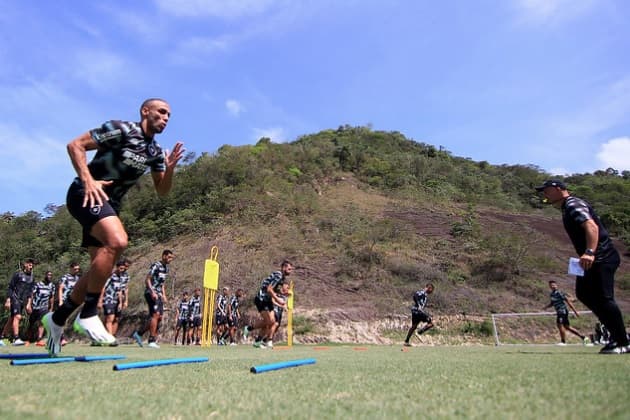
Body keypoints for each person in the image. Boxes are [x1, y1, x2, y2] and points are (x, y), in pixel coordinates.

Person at [43, 98, 184, 356]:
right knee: (118, 242)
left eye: (169, 116)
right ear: (146, 111)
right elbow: (75, 145)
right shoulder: (121, 129)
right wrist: (89, 180)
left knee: (100, 270)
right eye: (161, 112)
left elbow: (162, 191)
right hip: (85, 194)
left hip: (110, 205)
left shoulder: (154, 152)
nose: (165, 118)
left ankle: (57, 318)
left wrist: (170, 170)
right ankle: (87, 313)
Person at [536, 180, 629, 354]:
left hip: (601, 257)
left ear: (557, 189)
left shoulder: (573, 204)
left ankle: (622, 341)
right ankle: (618, 336)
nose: (544, 194)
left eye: (546, 191)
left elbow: (591, 226)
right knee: (584, 294)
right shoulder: (567, 207)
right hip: (592, 260)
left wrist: (589, 252)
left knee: (604, 298)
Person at [132, 249, 175, 348]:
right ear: (163, 256)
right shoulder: (156, 266)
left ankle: (139, 333)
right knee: (155, 315)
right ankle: (151, 340)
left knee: (158, 318)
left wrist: (164, 295)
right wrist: (152, 291)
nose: (170, 260)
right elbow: (147, 280)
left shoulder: (166, 269)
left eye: (172, 258)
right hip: (151, 293)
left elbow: (162, 283)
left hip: (159, 294)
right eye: (169, 257)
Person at [251, 260, 294, 348]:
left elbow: (274, 290)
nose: (290, 271)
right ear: (284, 268)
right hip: (261, 298)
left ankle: (259, 341)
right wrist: (278, 300)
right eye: (289, 269)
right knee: (270, 322)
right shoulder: (279, 275)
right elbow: (269, 289)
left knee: (272, 322)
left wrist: (283, 294)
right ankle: (249, 329)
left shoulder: (282, 278)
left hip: (268, 300)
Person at [544, 280, 589, 346]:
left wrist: (575, 312)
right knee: (567, 327)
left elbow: (569, 302)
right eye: (551, 285)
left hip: (562, 311)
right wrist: (546, 307)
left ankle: (563, 342)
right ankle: (584, 338)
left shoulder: (560, 293)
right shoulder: (552, 294)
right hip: (559, 312)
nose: (553, 286)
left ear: (556, 285)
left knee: (560, 325)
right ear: (549, 286)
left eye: (554, 285)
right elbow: (552, 303)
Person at [4, 258, 35, 345]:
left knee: (12, 319)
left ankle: (1, 337)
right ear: (25, 265)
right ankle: (16, 338)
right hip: (15, 298)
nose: (31, 266)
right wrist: (8, 299)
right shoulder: (18, 274)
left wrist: (29, 304)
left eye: (32, 265)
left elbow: (30, 292)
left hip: (22, 301)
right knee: (18, 317)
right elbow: (11, 287)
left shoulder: (32, 278)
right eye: (29, 264)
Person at [56, 262, 82, 346]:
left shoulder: (78, 278)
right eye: (75, 269)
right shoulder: (65, 277)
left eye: (78, 269)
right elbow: (60, 289)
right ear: (71, 268)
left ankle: (72, 337)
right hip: (65, 301)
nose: (77, 271)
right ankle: (61, 338)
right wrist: (60, 301)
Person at [29, 271, 56, 346]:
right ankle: (29, 339)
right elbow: (32, 294)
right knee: (31, 323)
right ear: (45, 275)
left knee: (42, 322)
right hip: (35, 306)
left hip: (44, 307)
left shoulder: (52, 286)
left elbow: (52, 297)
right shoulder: (38, 284)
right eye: (48, 275)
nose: (49, 276)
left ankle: (39, 339)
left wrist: (51, 307)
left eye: (51, 275)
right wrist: (29, 304)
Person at [100, 261, 125, 336]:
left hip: (116, 301)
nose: (122, 270)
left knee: (115, 319)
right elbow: (103, 287)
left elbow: (120, 291)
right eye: (121, 268)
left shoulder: (120, 277)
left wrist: (120, 302)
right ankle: (110, 338)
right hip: (108, 299)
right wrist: (100, 300)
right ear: (117, 267)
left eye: (123, 269)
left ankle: (109, 336)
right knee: (110, 318)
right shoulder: (110, 276)